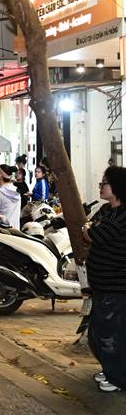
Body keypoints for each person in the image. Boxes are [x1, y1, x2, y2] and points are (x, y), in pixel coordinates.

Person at [85, 166, 126, 392]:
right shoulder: (105, 210)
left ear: (118, 187)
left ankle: (118, 378)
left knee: (112, 333)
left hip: (116, 286)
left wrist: (91, 229)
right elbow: (92, 227)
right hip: (100, 285)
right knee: (100, 331)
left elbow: (95, 234)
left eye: (105, 183)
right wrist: (91, 228)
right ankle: (111, 370)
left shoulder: (123, 215)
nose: (100, 186)